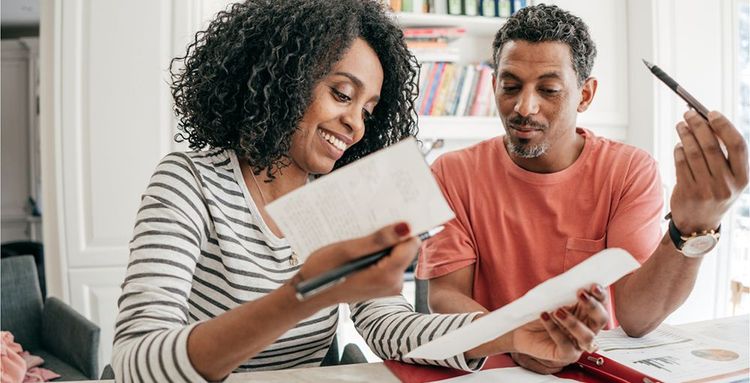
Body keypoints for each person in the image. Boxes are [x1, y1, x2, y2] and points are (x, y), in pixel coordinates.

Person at [111, 1, 612, 381]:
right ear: (281, 79)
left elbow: (390, 326)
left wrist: (507, 329)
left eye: (368, 110)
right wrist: (302, 295)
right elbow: (135, 361)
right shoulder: (189, 182)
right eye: (341, 94)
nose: (354, 124)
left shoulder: (346, 197)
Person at [417, 3, 749, 375]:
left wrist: (690, 228)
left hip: (588, 368)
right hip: (490, 368)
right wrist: (514, 338)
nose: (524, 107)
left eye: (549, 89)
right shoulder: (451, 172)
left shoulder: (627, 170)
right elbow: (445, 295)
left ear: (585, 95)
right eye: (510, 86)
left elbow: (637, 318)